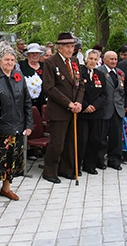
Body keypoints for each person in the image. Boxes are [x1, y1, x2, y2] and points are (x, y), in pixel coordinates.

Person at [0, 45, 33, 204]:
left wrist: (28, 124)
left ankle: (6, 188)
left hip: (17, 125)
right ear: (0, 60)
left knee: (13, 159)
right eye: (7, 59)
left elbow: (27, 101)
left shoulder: (18, 76)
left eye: (12, 60)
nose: (10, 62)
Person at [41, 32, 85, 184]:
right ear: (59, 47)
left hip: (74, 109)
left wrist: (78, 102)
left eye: (72, 46)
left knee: (70, 142)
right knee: (57, 143)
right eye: (67, 46)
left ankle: (66, 169)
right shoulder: (51, 62)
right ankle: (50, 171)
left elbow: (80, 85)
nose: (70, 49)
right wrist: (68, 103)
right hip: (59, 109)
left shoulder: (74, 61)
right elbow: (50, 88)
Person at [77, 49, 107, 175]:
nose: (92, 61)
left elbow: (104, 94)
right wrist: (86, 106)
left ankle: (90, 165)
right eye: (91, 59)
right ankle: (77, 165)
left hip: (96, 112)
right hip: (83, 112)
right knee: (82, 140)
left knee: (94, 139)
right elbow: (77, 92)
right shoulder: (79, 73)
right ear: (85, 59)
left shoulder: (99, 75)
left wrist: (95, 106)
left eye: (95, 59)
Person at [96, 51, 125, 170]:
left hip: (117, 109)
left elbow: (122, 92)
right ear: (105, 59)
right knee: (101, 137)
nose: (114, 61)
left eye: (115, 59)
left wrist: (123, 105)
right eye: (111, 59)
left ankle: (115, 160)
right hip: (104, 109)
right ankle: (99, 160)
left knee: (116, 136)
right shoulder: (99, 71)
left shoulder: (120, 73)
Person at [19, 43, 46, 112]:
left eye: (37, 53)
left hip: (42, 101)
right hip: (25, 102)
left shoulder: (44, 66)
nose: (35, 55)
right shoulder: (21, 65)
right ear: (28, 54)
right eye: (32, 53)